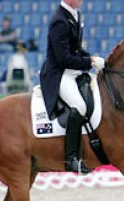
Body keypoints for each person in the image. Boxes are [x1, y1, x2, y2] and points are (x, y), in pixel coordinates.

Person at [39, 0, 105, 173]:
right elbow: (63, 58)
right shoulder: (59, 20)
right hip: (60, 73)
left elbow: (75, 49)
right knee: (79, 106)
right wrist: (88, 62)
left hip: (73, 70)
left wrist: (92, 58)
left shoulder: (75, 15)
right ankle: (71, 158)